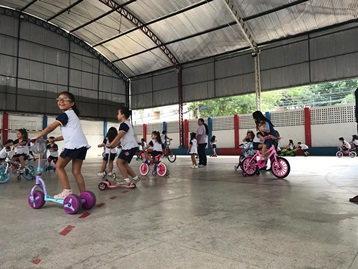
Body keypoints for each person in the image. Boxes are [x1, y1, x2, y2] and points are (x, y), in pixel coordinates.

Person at [31, 91, 90, 199]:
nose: (61, 101)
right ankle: (84, 195)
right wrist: (52, 140)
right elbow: (67, 135)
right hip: (82, 145)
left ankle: (67, 191)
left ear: (72, 103)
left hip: (73, 145)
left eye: (65, 99)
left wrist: (37, 136)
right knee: (76, 171)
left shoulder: (65, 115)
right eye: (59, 99)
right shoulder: (73, 115)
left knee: (59, 166)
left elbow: (50, 128)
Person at [106, 107, 139, 185]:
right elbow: (121, 140)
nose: (117, 115)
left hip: (129, 147)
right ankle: (135, 178)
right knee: (124, 164)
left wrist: (111, 144)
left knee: (119, 162)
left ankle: (126, 180)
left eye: (118, 113)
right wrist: (113, 146)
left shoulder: (124, 125)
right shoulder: (128, 124)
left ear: (123, 115)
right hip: (131, 146)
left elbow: (119, 136)